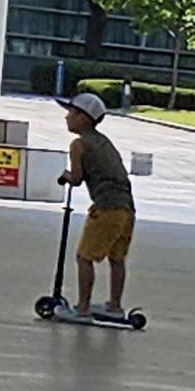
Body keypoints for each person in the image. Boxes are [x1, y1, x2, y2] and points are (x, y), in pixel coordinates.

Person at [61, 92, 138, 318]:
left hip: (106, 207)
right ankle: (115, 306)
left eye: (70, 113)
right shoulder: (104, 141)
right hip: (126, 208)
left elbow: (76, 178)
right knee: (116, 258)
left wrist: (65, 175)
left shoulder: (78, 145)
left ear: (83, 118)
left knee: (84, 257)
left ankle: (82, 308)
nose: (66, 117)